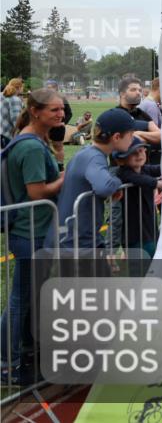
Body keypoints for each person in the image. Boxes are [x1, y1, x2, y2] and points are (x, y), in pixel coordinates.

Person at [0, 88, 65, 383]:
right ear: (36, 111)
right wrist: (66, 178)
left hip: (33, 231)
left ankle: (24, 353)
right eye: (54, 110)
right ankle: (7, 364)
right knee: (20, 299)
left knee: (27, 297)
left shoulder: (36, 140)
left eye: (61, 109)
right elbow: (37, 192)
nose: (61, 114)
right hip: (29, 234)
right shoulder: (30, 147)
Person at [48, 108, 135, 251]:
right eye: (131, 134)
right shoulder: (94, 157)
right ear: (117, 137)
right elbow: (105, 186)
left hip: (77, 236)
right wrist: (118, 183)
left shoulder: (87, 152)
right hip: (76, 241)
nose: (132, 139)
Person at [110, 137, 162, 257]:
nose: (139, 155)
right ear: (121, 160)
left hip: (150, 229)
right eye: (133, 153)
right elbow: (137, 178)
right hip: (133, 234)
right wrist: (157, 183)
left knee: (154, 260)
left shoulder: (145, 169)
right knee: (139, 266)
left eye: (141, 150)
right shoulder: (122, 173)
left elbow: (159, 169)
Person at [117, 76, 160, 164]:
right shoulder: (115, 115)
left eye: (139, 90)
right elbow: (126, 144)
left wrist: (139, 133)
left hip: (144, 168)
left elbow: (160, 136)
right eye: (133, 90)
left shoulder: (142, 114)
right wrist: (149, 137)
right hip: (122, 171)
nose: (138, 93)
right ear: (122, 93)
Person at [43, 80, 72, 168]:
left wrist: (63, 123)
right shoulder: (43, 99)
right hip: (45, 127)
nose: (48, 90)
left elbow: (69, 113)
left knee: (58, 146)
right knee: (43, 145)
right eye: (47, 88)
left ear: (56, 88)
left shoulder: (62, 99)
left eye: (50, 88)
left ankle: (60, 166)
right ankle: (46, 164)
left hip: (58, 127)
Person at [1, 77, 24, 147]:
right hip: (9, 135)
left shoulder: (1, 95)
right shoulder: (14, 99)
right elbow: (16, 120)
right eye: (22, 87)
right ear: (19, 87)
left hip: (2, 131)